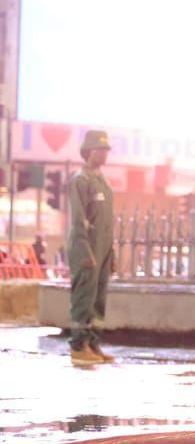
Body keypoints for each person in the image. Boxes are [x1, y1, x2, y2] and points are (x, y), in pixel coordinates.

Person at [67, 131, 116, 365]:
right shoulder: (80, 180)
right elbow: (78, 220)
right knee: (84, 296)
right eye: (100, 149)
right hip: (85, 247)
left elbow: (107, 221)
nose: (104, 154)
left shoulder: (103, 182)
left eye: (106, 149)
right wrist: (85, 250)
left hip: (103, 248)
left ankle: (93, 344)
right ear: (88, 152)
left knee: (99, 298)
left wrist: (111, 252)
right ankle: (78, 346)